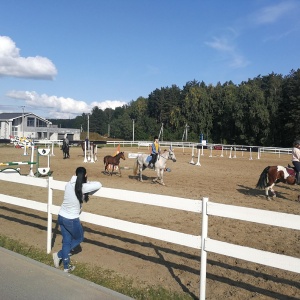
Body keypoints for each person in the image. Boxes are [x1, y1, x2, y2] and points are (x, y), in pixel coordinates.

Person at [53, 167, 102, 272]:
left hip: (61, 216)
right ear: (85, 175)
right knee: (79, 238)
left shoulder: (68, 184)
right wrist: (87, 181)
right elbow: (99, 184)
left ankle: (66, 267)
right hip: (71, 219)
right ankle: (59, 254)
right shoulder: (83, 187)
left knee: (66, 241)